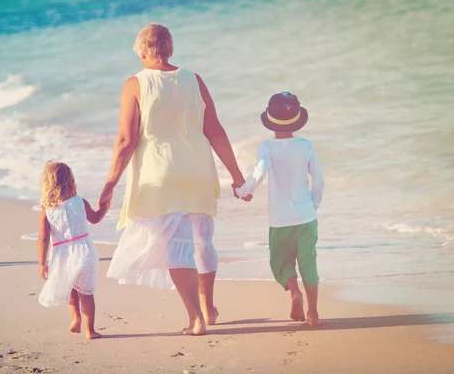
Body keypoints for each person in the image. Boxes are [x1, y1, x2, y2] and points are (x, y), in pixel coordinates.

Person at [98, 23, 248, 336]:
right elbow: (215, 130)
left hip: (160, 174)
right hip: (197, 172)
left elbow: (126, 140)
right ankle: (208, 306)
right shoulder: (194, 79)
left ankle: (196, 318)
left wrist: (110, 182)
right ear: (170, 50)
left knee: (176, 247)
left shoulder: (135, 83)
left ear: (142, 52)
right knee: (202, 240)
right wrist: (237, 176)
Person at [234, 92, 324, 326]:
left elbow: (260, 172)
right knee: (308, 263)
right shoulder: (306, 146)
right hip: (306, 217)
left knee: (280, 262)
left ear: (270, 121)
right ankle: (313, 313)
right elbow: (319, 179)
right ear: (296, 120)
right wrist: (313, 204)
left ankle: (295, 293)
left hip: (280, 219)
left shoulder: (267, 147)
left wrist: (243, 190)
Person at [37, 160, 109, 339]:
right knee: (86, 293)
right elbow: (95, 218)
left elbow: (43, 237)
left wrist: (41, 263)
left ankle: (76, 319)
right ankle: (90, 331)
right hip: (84, 251)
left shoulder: (47, 209)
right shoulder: (80, 202)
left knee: (70, 289)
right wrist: (105, 207)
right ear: (71, 180)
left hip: (61, 254)